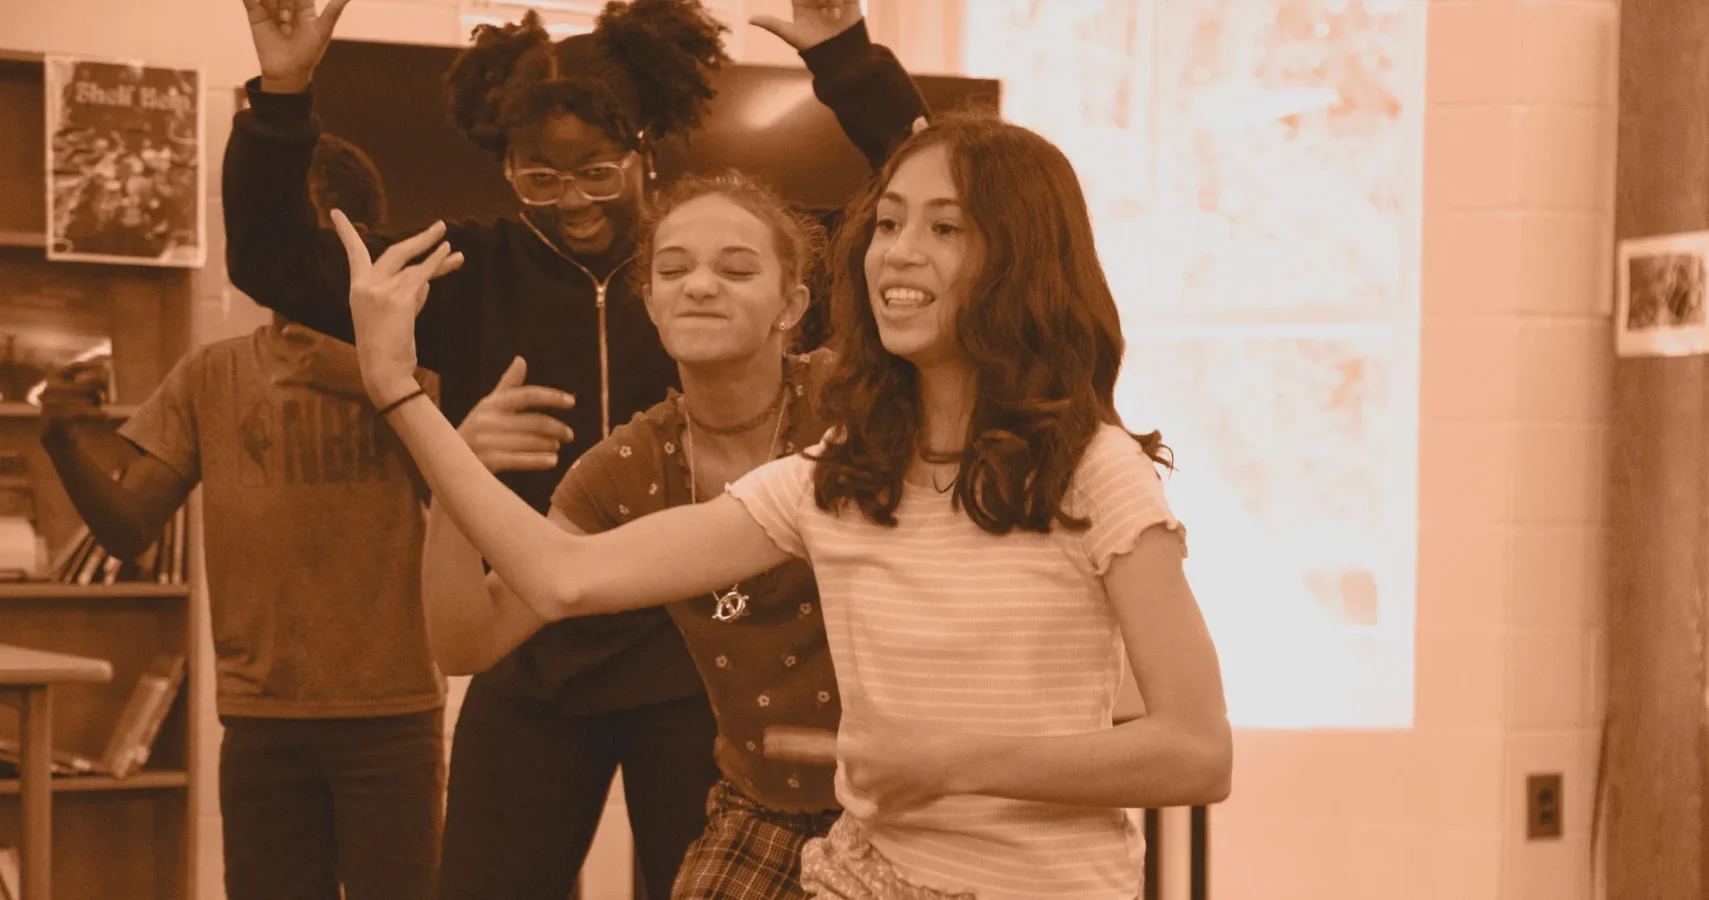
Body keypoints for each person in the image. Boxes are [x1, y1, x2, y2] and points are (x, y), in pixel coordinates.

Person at [336, 111, 1233, 900]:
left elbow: (1196, 752)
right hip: (856, 871)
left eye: (946, 226)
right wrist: (397, 393)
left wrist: (952, 761)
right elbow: (560, 578)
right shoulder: (841, 471)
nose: (899, 249)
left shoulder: (1095, 471)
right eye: (886, 223)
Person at [227, 1, 928, 897]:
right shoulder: (470, 273)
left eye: (599, 174)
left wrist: (848, 60)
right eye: (540, 181)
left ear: (644, 149)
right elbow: (271, 257)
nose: (575, 204)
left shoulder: (717, 275)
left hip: (699, 664)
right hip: (531, 641)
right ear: (507, 169)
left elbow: (928, 199)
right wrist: (282, 94)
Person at [39, 134, 446, 900]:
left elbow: (469, 506)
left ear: (361, 246)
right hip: (262, 719)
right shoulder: (212, 373)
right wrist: (61, 439)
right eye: (268, 236)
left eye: (307, 237)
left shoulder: (418, 373)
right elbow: (130, 528)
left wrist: (369, 376)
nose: (284, 261)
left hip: (389, 716)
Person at [425, 171, 848, 898]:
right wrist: (451, 479)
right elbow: (469, 641)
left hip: (900, 790)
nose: (700, 286)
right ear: (649, 302)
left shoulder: (855, 404)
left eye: (736, 268)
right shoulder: (628, 464)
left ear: (793, 305)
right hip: (761, 806)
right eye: (673, 269)